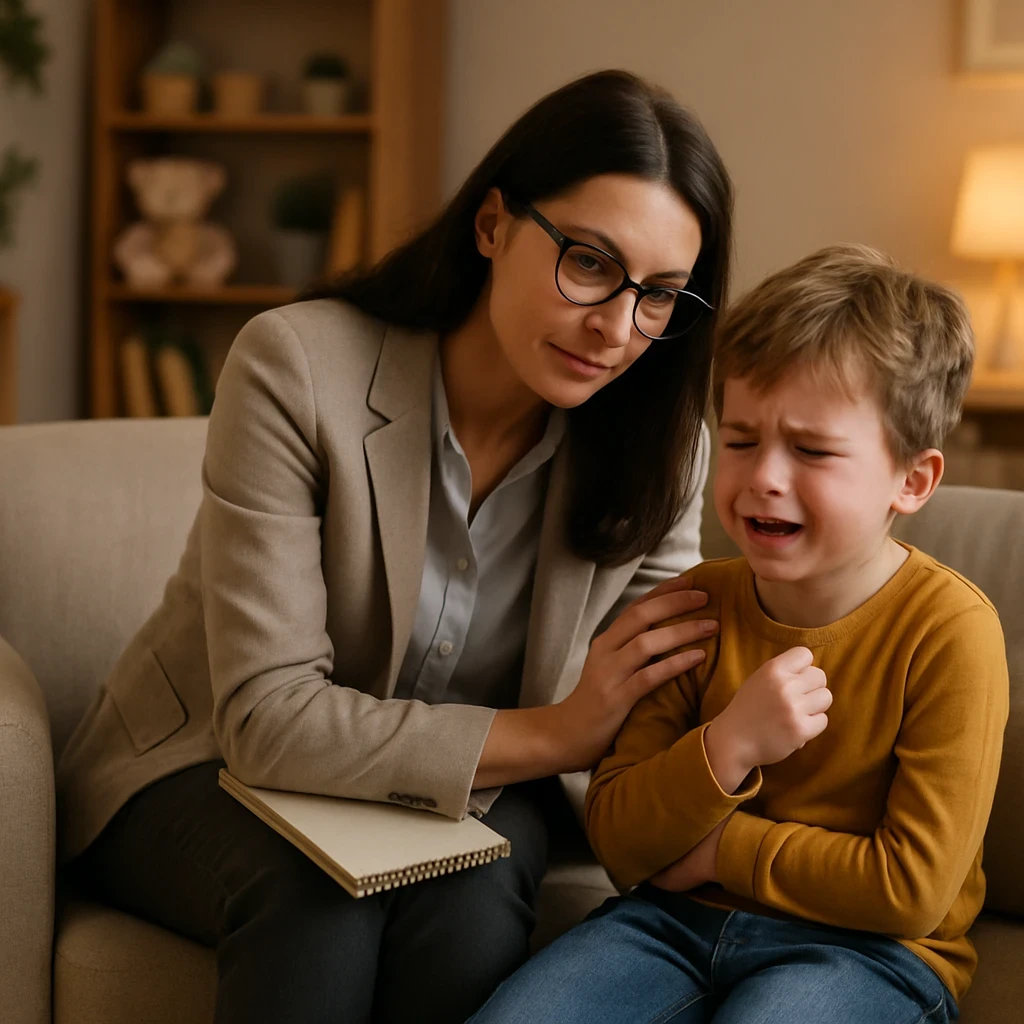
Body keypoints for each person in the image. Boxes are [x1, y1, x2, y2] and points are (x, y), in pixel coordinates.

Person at [55, 70, 734, 1024]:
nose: (618, 329)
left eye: (660, 296)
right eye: (588, 262)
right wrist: (553, 732)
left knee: (470, 903)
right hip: (206, 764)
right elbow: (267, 718)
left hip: (485, 798)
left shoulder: (664, 443)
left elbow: (647, 704)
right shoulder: (296, 366)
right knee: (319, 896)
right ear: (492, 225)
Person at [467, 244, 1010, 1024]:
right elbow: (619, 836)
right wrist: (728, 747)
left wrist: (722, 852)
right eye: (743, 439)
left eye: (812, 450)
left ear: (913, 480)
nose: (764, 477)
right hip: (667, 926)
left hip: (867, 954)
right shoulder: (695, 606)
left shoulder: (950, 631)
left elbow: (912, 890)